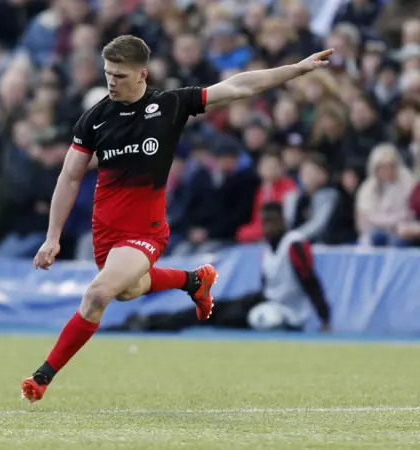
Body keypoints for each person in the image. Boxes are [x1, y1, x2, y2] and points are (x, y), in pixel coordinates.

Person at [21, 34, 335, 403]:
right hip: (105, 232)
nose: (111, 82)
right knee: (126, 291)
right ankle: (193, 281)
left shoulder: (169, 105)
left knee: (97, 294)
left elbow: (237, 86)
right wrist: (52, 236)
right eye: (107, 73)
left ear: (142, 74)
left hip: (145, 232)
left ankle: (42, 377)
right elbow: (70, 176)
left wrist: (296, 70)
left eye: (119, 75)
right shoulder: (95, 119)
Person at [107, 202, 331, 333]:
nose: (268, 227)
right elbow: (268, 284)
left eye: (272, 221)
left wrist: (324, 318)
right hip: (267, 300)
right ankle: (151, 321)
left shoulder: (294, 244)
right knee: (210, 306)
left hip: (286, 312)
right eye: (265, 222)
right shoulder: (268, 248)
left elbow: (310, 281)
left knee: (214, 314)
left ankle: (152, 324)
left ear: (283, 221)